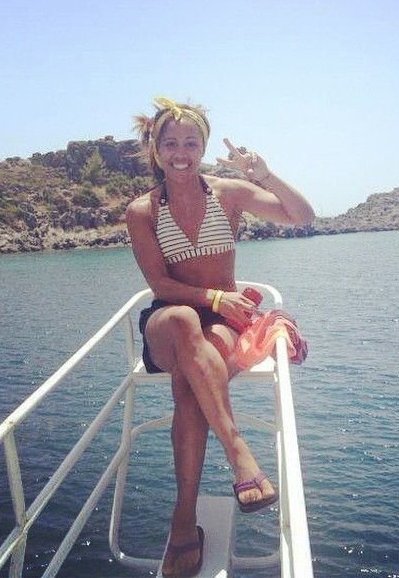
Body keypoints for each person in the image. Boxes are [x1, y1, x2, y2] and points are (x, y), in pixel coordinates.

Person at [125, 96, 314, 578]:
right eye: (171, 143)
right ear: (157, 149)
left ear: (203, 147)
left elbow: (302, 216)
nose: (181, 153)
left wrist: (265, 176)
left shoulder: (227, 193)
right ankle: (239, 454)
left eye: (191, 143)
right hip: (170, 319)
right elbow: (160, 285)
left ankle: (182, 522)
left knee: (190, 389)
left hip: (222, 323)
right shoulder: (142, 210)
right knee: (183, 322)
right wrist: (213, 297)